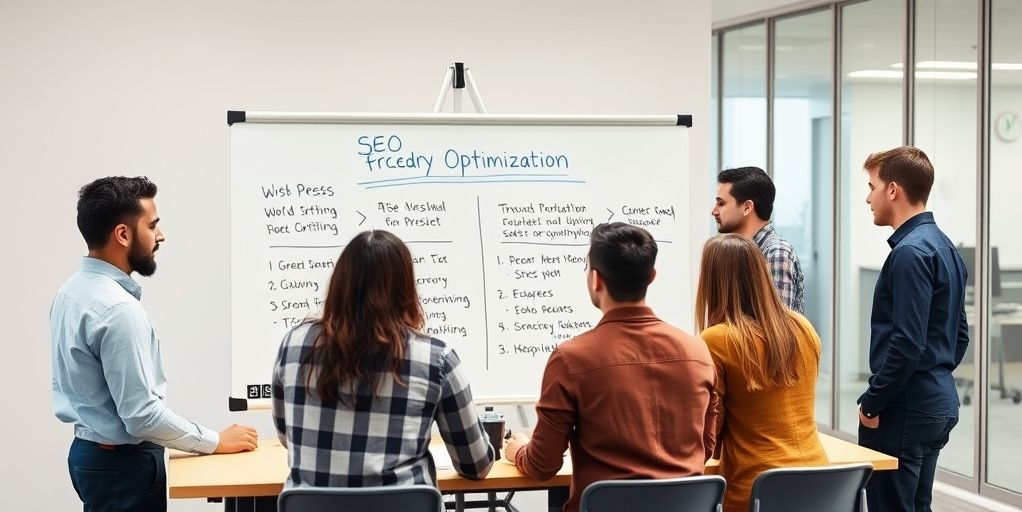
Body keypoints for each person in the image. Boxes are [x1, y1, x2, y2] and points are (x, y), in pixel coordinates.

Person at [51, 176, 258, 512]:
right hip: (123, 465)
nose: (160, 235)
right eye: (153, 225)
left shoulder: (70, 292)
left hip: (89, 455)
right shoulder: (117, 310)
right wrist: (216, 441)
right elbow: (141, 416)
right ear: (123, 234)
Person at [504, 222, 718, 512]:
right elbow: (705, 447)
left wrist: (517, 451)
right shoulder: (697, 352)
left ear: (595, 279)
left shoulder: (570, 359)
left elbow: (542, 465)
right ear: (652, 277)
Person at [272, 230, 494, 488]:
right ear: (405, 289)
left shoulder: (294, 345)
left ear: (340, 284)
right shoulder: (437, 359)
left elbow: (287, 436)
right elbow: (477, 464)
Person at [857, 146, 968, 511]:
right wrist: (935, 377)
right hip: (936, 400)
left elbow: (907, 343)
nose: (868, 198)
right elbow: (959, 334)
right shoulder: (945, 247)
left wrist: (872, 402)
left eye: (872, 186)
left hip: (905, 406)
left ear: (892, 190)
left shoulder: (909, 253)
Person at [694, 234, 827, 512]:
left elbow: (711, 432)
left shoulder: (717, 340)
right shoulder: (803, 328)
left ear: (712, 282)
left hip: (756, 491)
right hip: (820, 484)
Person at [712, 167, 805, 313]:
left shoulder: (776, 253)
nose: (714, 211)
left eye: (721, 203)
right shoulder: (736, 252)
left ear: (747, 207)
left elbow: (778, 331)